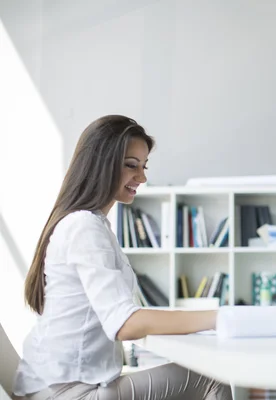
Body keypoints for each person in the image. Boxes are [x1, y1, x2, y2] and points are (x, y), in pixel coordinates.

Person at [13, 115, 233, 400]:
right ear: (101, 163)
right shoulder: (83, 226)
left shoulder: (91, 224)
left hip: (63, 386)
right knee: (211, 377)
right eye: (132, 166)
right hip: (68, 393)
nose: (142, 178)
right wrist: (222, 318)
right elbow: (124, 324)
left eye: (143, 167)